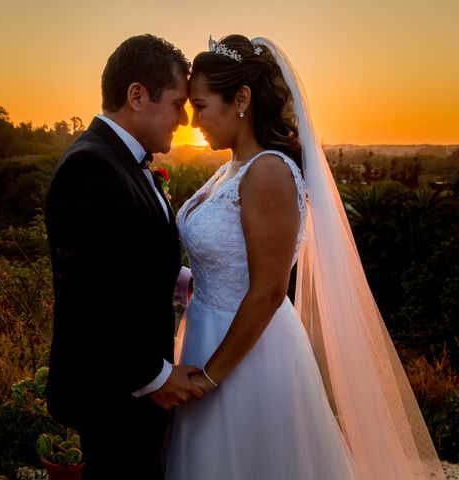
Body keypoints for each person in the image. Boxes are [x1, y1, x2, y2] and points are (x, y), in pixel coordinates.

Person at [165, 35, 444, 479]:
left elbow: (271, 290)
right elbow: (225, 262)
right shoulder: (231, 168)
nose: (192, 121)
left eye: (200, 106)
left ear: (241, 99)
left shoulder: (269, 172)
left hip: (247, 356)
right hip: (205, 334)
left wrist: (211, 377)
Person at [45, 34, 202, 480]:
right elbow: (89, 296)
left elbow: (125, 262)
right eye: (177, 102)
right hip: (114, 391)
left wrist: (185, 281)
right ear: (137, 96)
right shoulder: (90, 167)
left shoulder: (123, 160)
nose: (184, 117)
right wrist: (155, 376)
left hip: (130, 390)